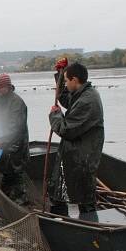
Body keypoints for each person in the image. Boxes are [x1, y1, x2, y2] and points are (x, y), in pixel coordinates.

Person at [48, 62, 104, 215]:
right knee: (59, 194)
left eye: (66, 80)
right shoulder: (83, 94)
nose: (65, 84)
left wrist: (55, 115)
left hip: (82, 159)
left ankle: (90, 230)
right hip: (75, 155)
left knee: (85, 199)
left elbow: (66, 130)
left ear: (74, 80)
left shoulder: (87, 101)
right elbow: (67, 99)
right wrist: (60, 75)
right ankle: (60, 223)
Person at [0, 73, 29, 204]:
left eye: (1, 87)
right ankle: (6, 200)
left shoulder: (17, 102)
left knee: (16, 175)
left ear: (8, 86)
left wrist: (4, 141)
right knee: (6, 174)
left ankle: (20, 202)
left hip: (15, 146)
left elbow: (16, 127)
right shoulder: (0, 99)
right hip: (3, 145)